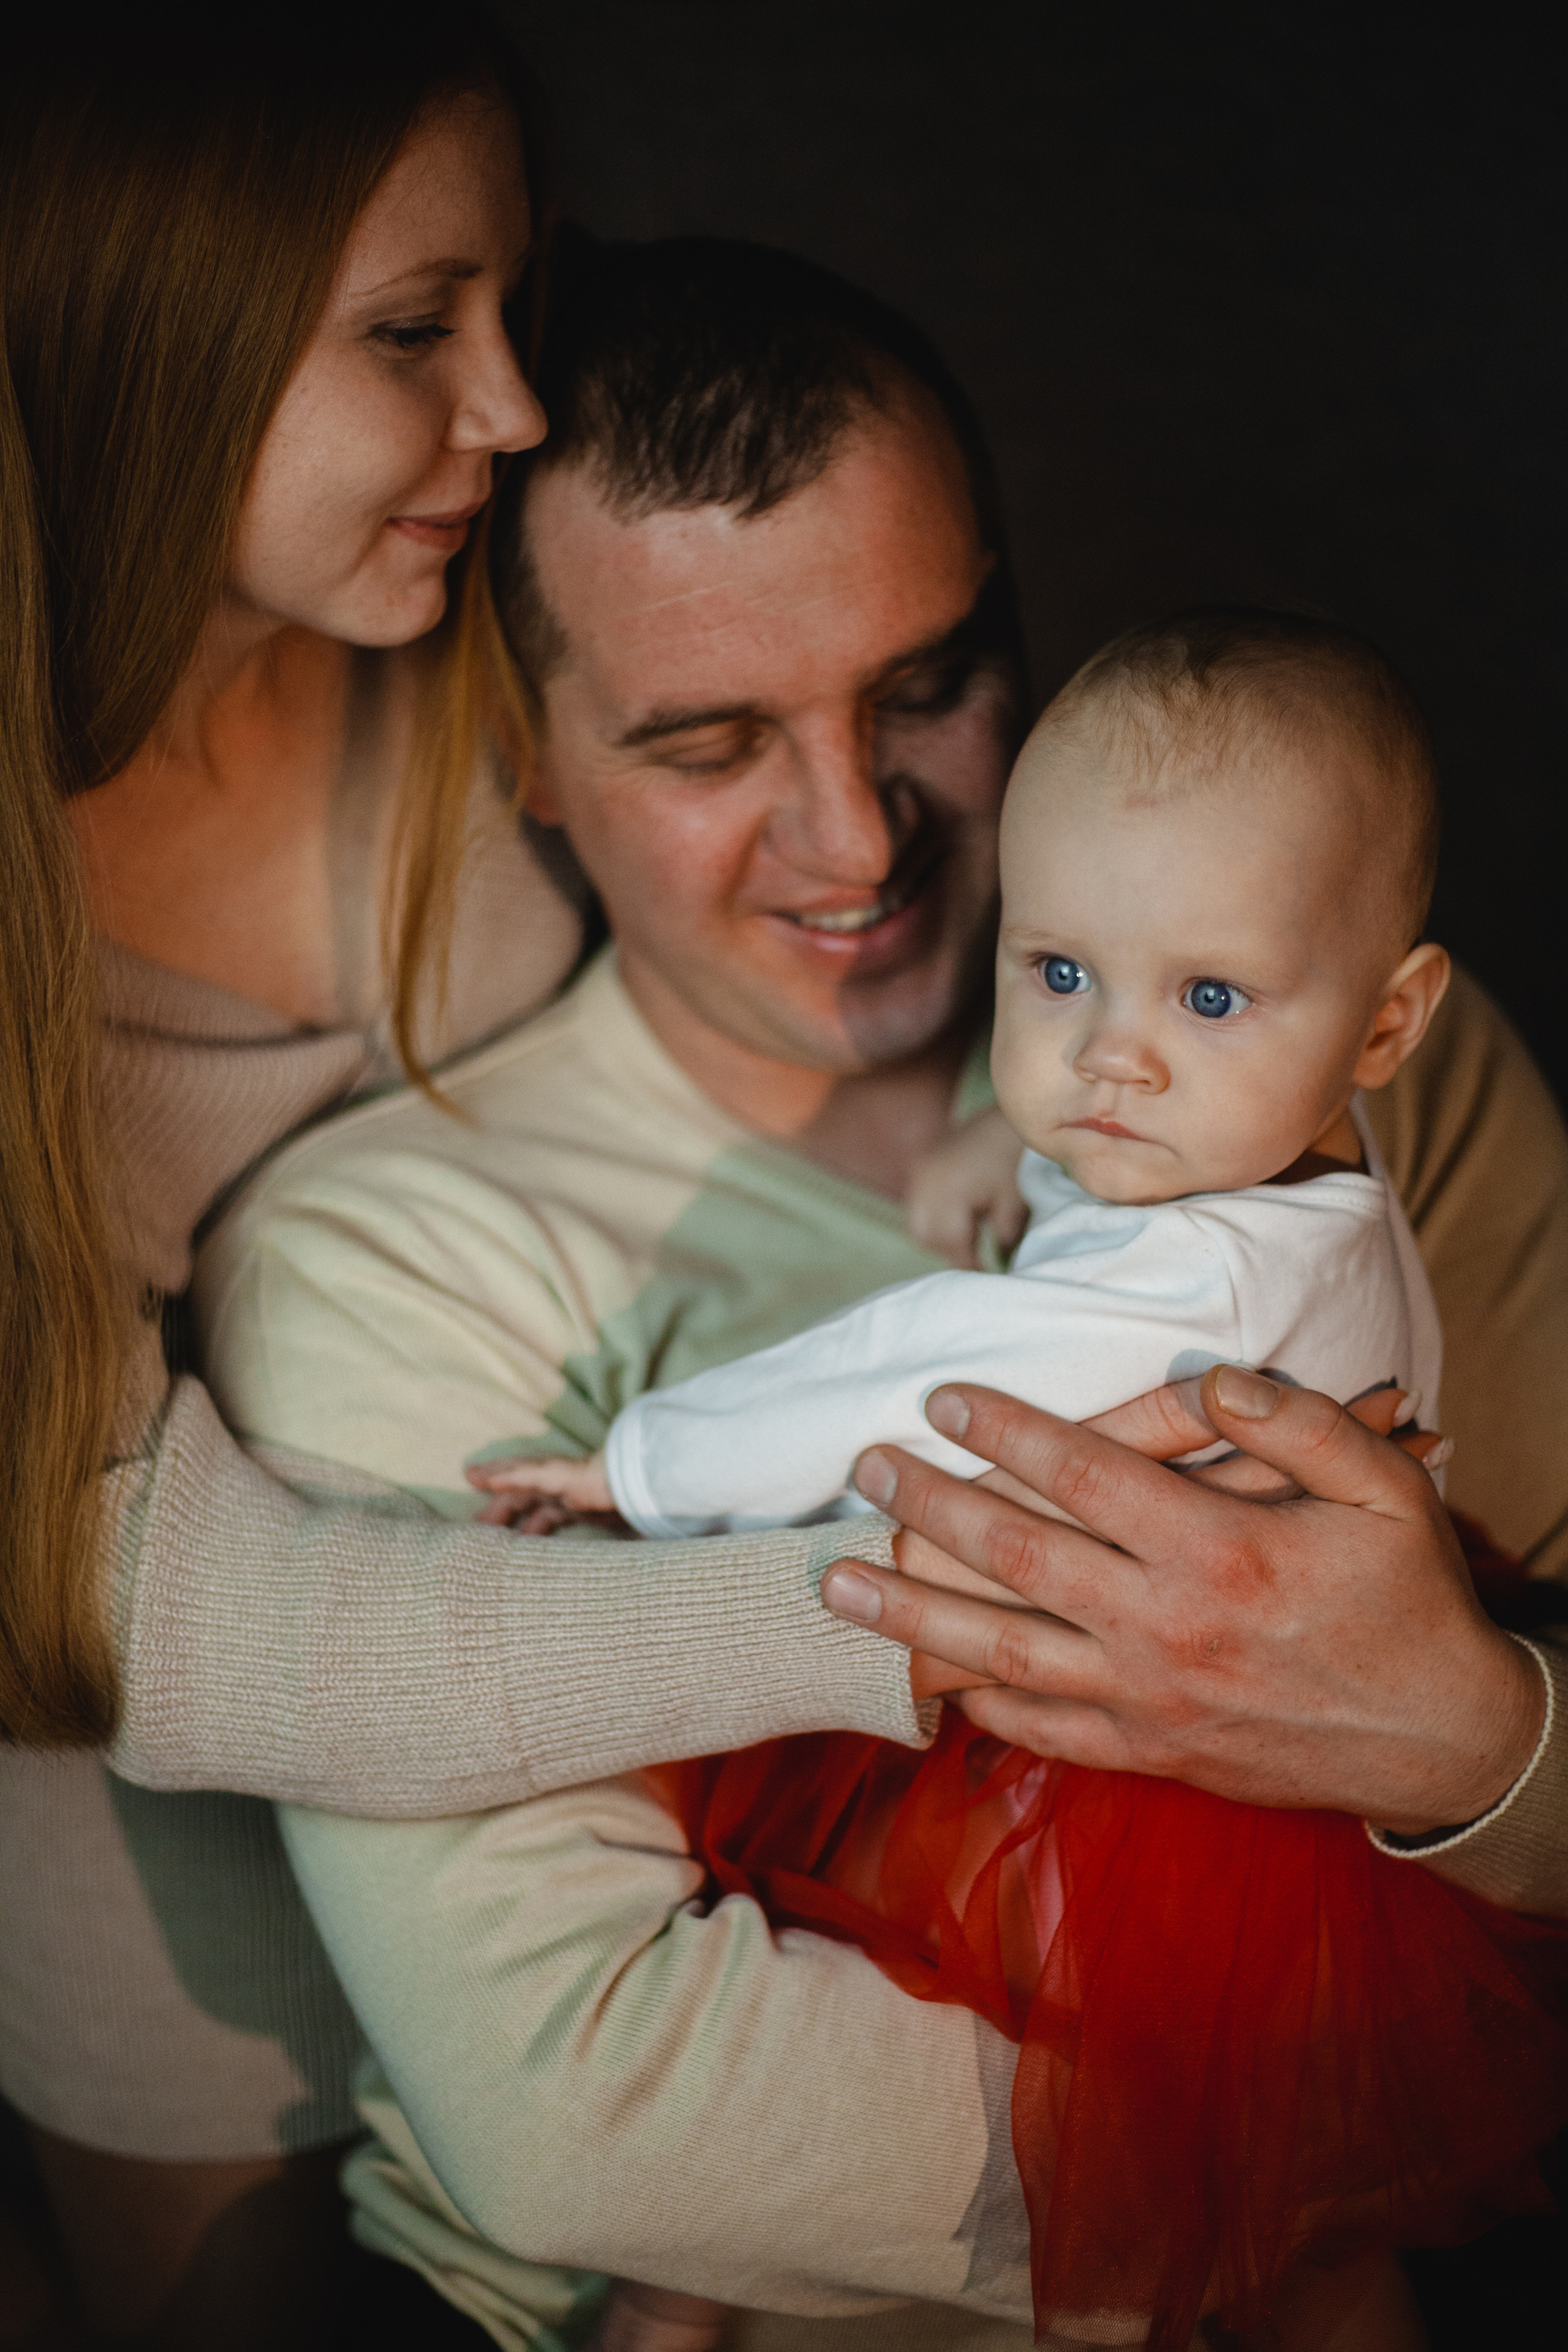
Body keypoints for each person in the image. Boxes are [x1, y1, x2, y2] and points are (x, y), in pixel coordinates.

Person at [194, 240, 1568, 2350]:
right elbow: (591, 2117)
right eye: (708, 738)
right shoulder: (398, 1248)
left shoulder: (1349, 1082)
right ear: (529, 752)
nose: (862, 835)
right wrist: (1284, 2169)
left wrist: (1481, 1743)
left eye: (928, 687)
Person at [2, 23, 978, 2344]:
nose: (522, 402)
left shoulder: (451, 607)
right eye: (417, 331)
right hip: (186, 1773)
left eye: (512, 303)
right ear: (149, 319)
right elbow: (168, 1623)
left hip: (628, 1565)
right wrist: (943, 1614)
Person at [488, 606, 1568, 2350]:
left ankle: (669, 2310)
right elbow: (1156, 1116)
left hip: (1139, 1795)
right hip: (1270, 1786)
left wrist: (642, 1464)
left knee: (994, 2060)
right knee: (1307, 2228)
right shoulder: (1305, 1155)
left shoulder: (1192, 1282)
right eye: (1059, 974)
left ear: (1390, 1021)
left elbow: (920, 1381)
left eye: (1208, 997)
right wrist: (1030, 1129)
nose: (1115, 1058)